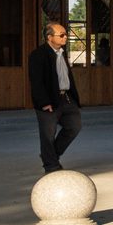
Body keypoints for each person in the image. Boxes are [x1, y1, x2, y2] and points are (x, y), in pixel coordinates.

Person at [28, 20, 82, 173]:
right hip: (49, 100)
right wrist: (43, 102)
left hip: (66, 98)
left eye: (66, 34)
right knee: (48, 135)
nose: (66, 37)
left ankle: (50, 156)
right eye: (62, 35)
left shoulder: (62, 53)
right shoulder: (38, 55)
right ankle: (51, 166)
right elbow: (36, 81)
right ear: (49, 37)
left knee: (74, 126)